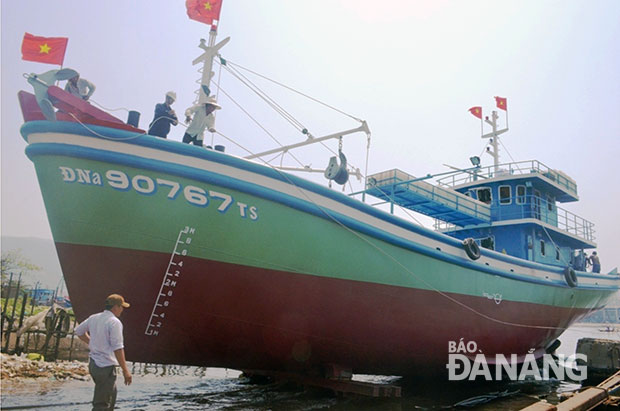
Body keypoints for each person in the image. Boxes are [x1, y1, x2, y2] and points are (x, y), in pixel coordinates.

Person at [75, 294, 132, 411]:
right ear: (115, 307)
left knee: (110, 396)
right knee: (101, 403)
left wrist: (91, 342)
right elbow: (118, 348)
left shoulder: (94, 318)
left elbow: (79, 331)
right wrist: (126, 370)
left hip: (94, 364)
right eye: (121, 307)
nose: (122, 310)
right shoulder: (114, 322)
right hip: (105, 366)